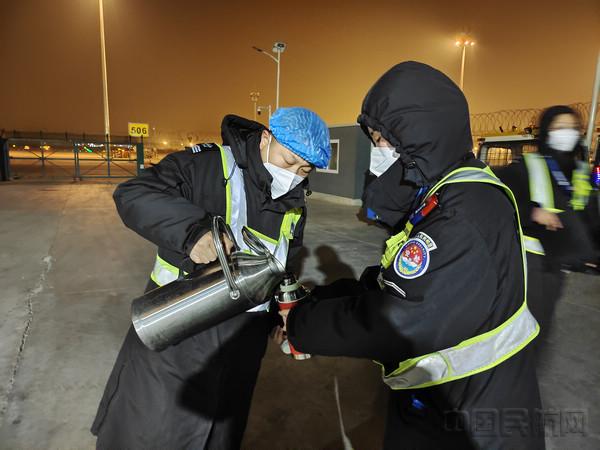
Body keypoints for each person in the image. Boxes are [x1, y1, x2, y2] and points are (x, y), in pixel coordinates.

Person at [281, 62, 544, 449]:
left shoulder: (462, 214)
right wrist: (324, 298)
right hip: (449, 404)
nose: (376, 152)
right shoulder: (450, 194)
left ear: (417, 137)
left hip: (473, 422)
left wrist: (303, 326)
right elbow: (402, 284)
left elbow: (402, 319)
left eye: (381, 139)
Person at [91, 108, 330, 449]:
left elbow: (284, 264)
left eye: (303, 169)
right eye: (287, 160)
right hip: (181, 326)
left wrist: (283, 316)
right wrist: (192, 233)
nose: (291, 174)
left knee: (219, 432)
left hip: (242, 343)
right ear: (265, 139)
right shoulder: (206, 166)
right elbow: (133, 193)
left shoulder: (293, 204)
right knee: (153, 428)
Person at [496, 105, 598, 347]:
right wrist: (531, 211)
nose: (567, 133)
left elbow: (590, 213)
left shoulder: (581, 171)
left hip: (558, 262)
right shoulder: (527, 166)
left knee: (542, 322)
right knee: (526, 324)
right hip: (528, 260)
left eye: (572, 128)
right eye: (559, 127)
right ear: (546, 131)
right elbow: (498, 198)